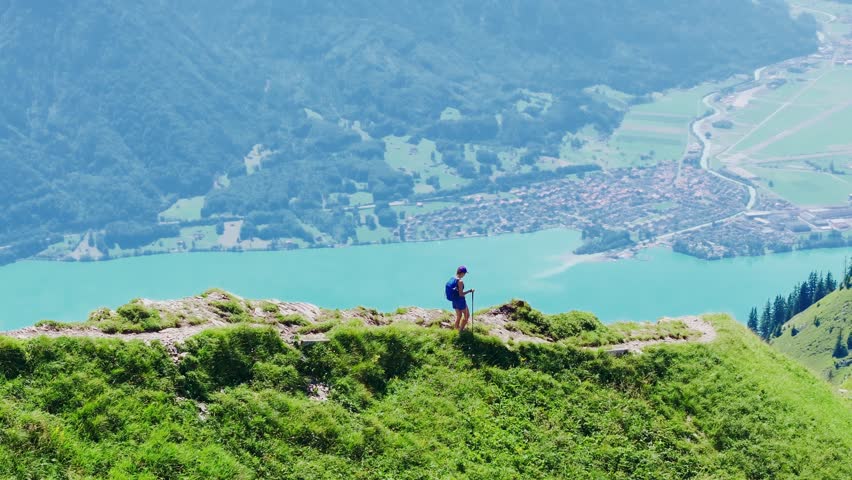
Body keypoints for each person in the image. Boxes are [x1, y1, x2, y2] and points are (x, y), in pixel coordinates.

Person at [446, 266, 474, 331]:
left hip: (454, 300)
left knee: (459, 316)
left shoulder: (452, 278)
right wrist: (470, 291)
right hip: (460, 301)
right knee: (467, 316)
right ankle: (461, 331)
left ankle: (456, 330)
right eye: (465, 273)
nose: (464, 275)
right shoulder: (460, 281)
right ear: (463, 273)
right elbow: (461, 294)